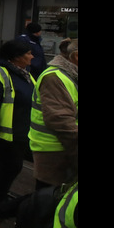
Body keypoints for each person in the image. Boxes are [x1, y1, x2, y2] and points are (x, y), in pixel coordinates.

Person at [0, 40, 35, 228]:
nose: (32, 57)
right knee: (12, 165)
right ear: (17, 56)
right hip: (4, 134)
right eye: (29, 53)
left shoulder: (26, 75)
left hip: (24, 132)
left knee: (10, 165)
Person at [29, 38, 78, 189]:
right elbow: (60, 120)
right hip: (54, 150)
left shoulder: (72, 75)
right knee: (48, 200)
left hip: (67, 146)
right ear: (76, 57)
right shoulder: (54, 77)